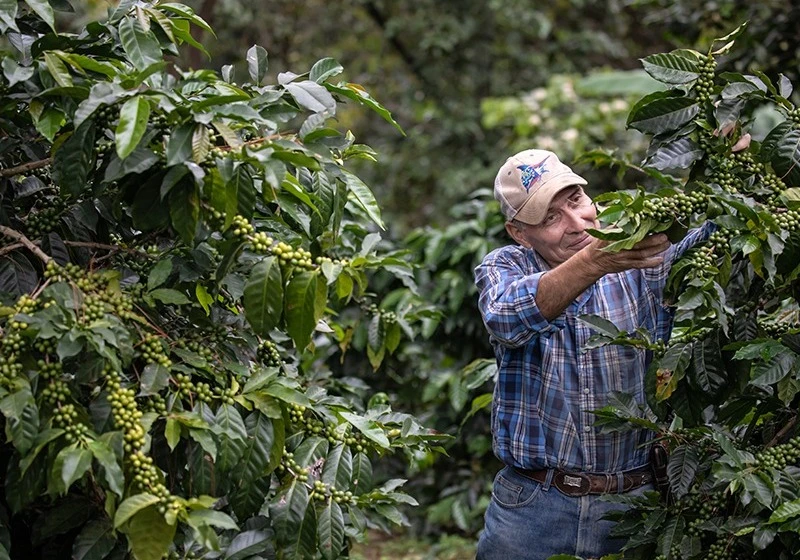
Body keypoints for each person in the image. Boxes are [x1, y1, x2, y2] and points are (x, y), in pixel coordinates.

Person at [474, 148, 715, 560]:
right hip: (534, 507)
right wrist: (594, 262)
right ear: (518, 232)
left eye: (576, 201)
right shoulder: (506, 265)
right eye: (550, 218)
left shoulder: (637, 258)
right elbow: (505, 316)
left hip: (634, 506)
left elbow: (714, 244)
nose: (575, 223)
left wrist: (723, 165)